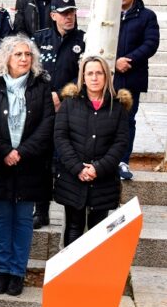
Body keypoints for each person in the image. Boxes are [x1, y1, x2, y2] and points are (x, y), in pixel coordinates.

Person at [0, 36, 54, 297]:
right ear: (7, 57)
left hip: (29, 165)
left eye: (28, 55)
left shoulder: (41, 86)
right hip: (0, 164)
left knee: (22, 220)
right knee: (1, 219)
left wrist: (22, 152)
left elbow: (47, 124)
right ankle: (4, 270)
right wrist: (5, 151)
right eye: (18, 54)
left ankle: (18, 272)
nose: (23, 59)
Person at [54, 56, 131, 248]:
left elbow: (121, 142)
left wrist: (98, 168)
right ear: (83, 77)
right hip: (73, 177)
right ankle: (71, 274)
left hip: (103, 179)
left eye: (99, 73)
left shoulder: (118, 106)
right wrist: (78, 168)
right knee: (74, 226)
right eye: (90, 73)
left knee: (99, 231)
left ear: (107, 76)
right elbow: (60, 137)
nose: (94, 78)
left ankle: (93, 276)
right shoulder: (70, 103)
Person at [32, 0, 85, 228]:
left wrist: (62, 94)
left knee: (64, 161)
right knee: (41, 161)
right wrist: (46, 96)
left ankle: (70, 214)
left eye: (71, 12)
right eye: (64, 13)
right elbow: (30, 70)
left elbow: (84, 74)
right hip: (42, 108)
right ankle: (40, 211)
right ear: (53, 15)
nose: (69, 17)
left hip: (70, 109)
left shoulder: (84, 40)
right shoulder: (39, 38)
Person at [114, 0, 160, 180]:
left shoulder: (147, 16)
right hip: (110, 76)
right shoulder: (109, 14)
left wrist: (128, 60)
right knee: (105, 119)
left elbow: (151, 43)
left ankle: (123, 161)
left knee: (127, 120)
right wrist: (114, 61)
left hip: (132, 78)